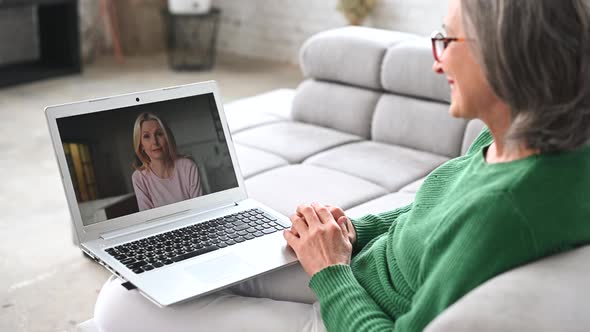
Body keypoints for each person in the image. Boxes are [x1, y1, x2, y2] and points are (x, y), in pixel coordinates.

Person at [95, 0, 590, 331]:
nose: (437, 62)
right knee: (162, 275)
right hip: (354, 266)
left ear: (505, 57)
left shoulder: (505, 211)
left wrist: (329, 269)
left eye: (447, 42)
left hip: (344, 312)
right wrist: (348, 231)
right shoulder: (514, 138)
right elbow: (432, 218)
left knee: (117, 306)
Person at [131, 112, 203, 211]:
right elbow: (149, 219)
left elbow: (199, 209)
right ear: (141, 145)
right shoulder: (139, 178)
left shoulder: (187, 167)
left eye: (159, 134)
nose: (155, 142)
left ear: (167, 138)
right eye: (147, 136)